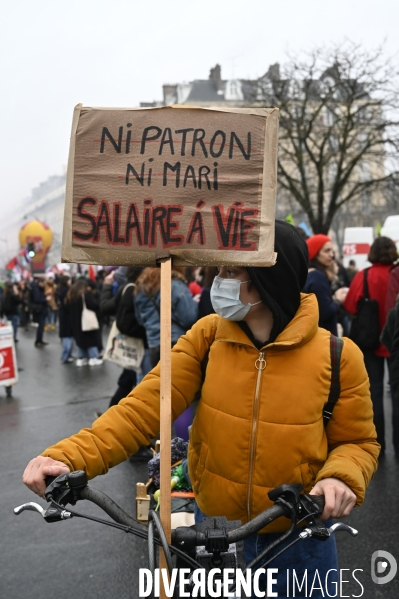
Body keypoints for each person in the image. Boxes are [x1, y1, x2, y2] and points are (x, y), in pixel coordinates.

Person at [23, 221, 379, 598]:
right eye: (219, 269)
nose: (218, 281)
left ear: (270, 279)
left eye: (231, 271)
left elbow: (358, 442)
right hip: (216, 537)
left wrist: (340, 478)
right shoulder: (207, 337)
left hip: (301, 539)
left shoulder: (339, 355)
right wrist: (65, 457)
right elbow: (140, 411)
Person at [344, 236, 398, 454]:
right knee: (396, 392)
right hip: (395, 339)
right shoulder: (396, 274)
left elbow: (349, 305)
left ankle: (378, 445)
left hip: (370, 340)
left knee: (374, 391)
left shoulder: (363, 275)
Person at [302, 234, 348, 335]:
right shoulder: (317, 276)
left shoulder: (309, 273)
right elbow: (325, 312)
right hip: (323, 336)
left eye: (332, 251)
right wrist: (338, 300)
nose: (331, 255)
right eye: (326, 251)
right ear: (316, 252)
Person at [66, 279, 103, 366]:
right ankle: (93, 358)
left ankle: (81, 358)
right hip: (86, 321)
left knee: (80, 341)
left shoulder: (71, 295)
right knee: (91, 339)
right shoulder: (85, 295)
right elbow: (94, 305)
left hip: (75, 322)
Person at [56, 275, 74, 364]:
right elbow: (68, 304)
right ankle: (65, 356)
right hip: (67, 316)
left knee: (67, 337)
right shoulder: (65, 291)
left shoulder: (60, 290)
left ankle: (67, 355)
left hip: (64, 316)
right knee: (68, 337)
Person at [30, 276, 49, 348]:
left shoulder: (39, 289)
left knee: (41, 326)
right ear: (40, 283)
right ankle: (38, 341)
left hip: (42, 310)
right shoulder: (36, 289)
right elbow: (37, 299)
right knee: (40, 326)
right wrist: (45, 299)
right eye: (43, 283)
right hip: (40, 310)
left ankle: (40, 340)